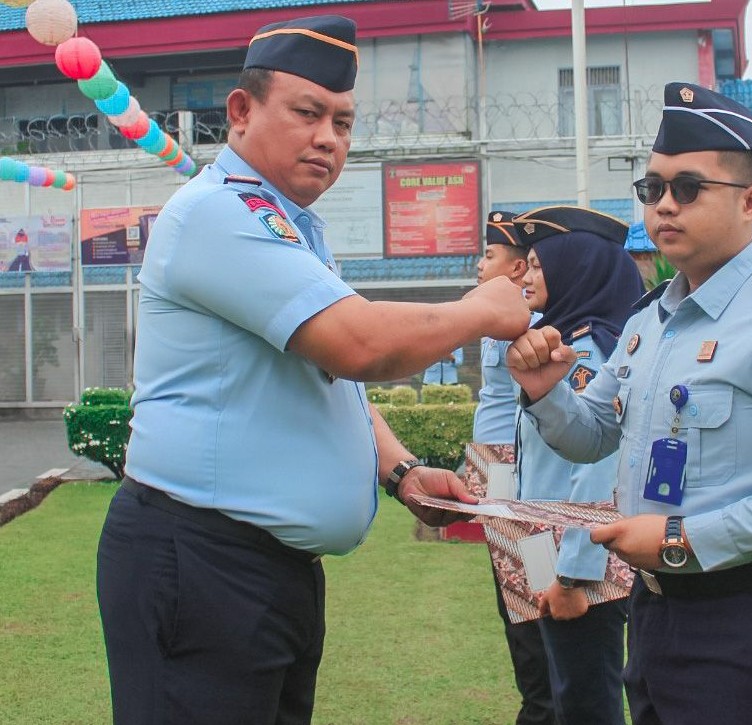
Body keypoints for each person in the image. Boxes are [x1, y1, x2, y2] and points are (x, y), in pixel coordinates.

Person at [94, 15, 530, 725]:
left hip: (261, 570)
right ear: (241, 111)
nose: (329, 137)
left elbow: (332, 381)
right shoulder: (218, 215)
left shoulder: (285, 224)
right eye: (307, 113)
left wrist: (399, 472)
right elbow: (358, 345)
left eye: (344, 122)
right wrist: (483, 306)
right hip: (204, 561)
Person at [506, 82, 752, 725]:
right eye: (652, 190)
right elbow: (593, 433)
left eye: (688, 188)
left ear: (750, 202)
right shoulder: (651, 320)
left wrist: (682, 540)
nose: (664, 206)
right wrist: (545, 392)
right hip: (660, 609)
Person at [512, 205, 644, 724]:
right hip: (550, 541)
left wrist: (572, 579)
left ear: (577, 270)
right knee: (567, 690)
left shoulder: (585, 350)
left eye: (540, 265)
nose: (525, 274)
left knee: (586, 698)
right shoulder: (560, 339)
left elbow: (595, 469)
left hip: (574, 554)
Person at [473, 210, 556, 725]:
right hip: (495, 467)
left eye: (488, 255)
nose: (479, 265)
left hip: (517, 469)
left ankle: (547, 705)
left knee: (534, 591)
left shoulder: (529, 323)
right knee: (514, 594)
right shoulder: (495, 315)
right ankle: (543, 699)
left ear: (518, 267)